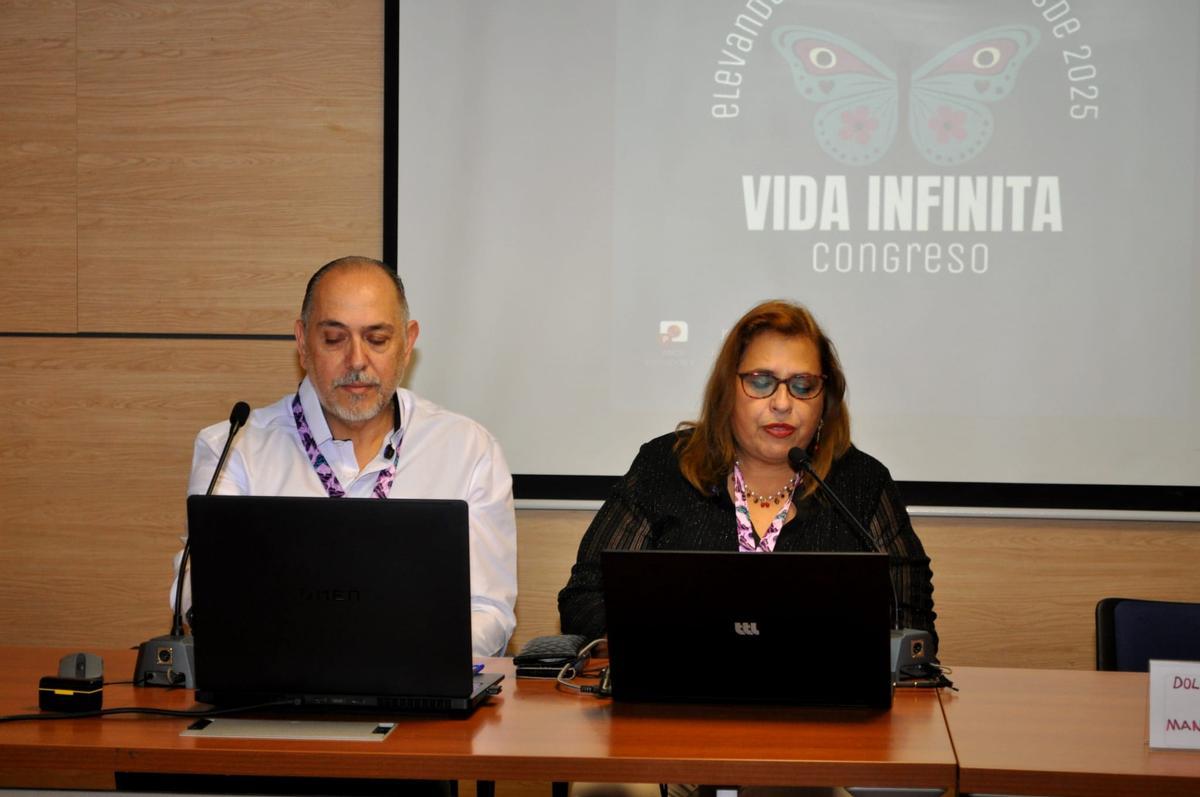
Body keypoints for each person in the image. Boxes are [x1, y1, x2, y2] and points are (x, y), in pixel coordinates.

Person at [172, 256, 517, 657]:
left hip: (419, 696)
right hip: (275, 697)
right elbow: (200, 592)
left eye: (377, 339)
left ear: (407, 344)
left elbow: (489, 610)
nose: (356, 361)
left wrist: (403, 658)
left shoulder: (467, 450)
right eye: (335, 339)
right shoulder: (234, 450)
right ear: (302, 342)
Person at [559, 299, 936, 645]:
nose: (783, 403)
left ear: (826, 400)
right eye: (761, 382)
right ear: (727, 391)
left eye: (803, 385)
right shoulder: (665, 466)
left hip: (820, 710)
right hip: (682, 701)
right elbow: (585, 597)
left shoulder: (862, 484)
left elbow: (912, 625)